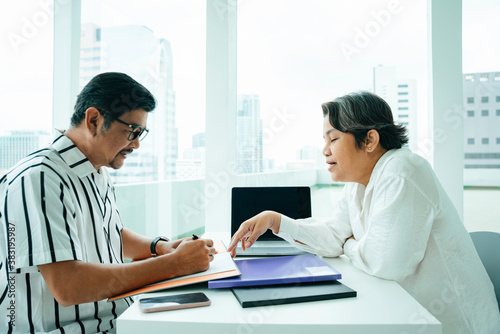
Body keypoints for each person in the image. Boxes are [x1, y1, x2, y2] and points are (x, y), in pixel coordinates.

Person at [228, 91, 500, 334]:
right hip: (406, 312)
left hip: (454, 325)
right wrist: (277, 221)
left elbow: (387, 263)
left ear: (369, 139)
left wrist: (348, 246)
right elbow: (335, 234)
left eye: (333, 138)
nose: (325, 150)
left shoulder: (402, 171)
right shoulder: (359, 183)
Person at [0, 72, 215, 333]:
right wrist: (173, 265)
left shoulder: (96, 169)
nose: (136, 144)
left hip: (115, 320)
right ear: (93, 120)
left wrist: (163, 248)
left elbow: (109, 232)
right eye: (132, 131)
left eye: (141, 133)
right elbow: (68, 286)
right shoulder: (40, 179)